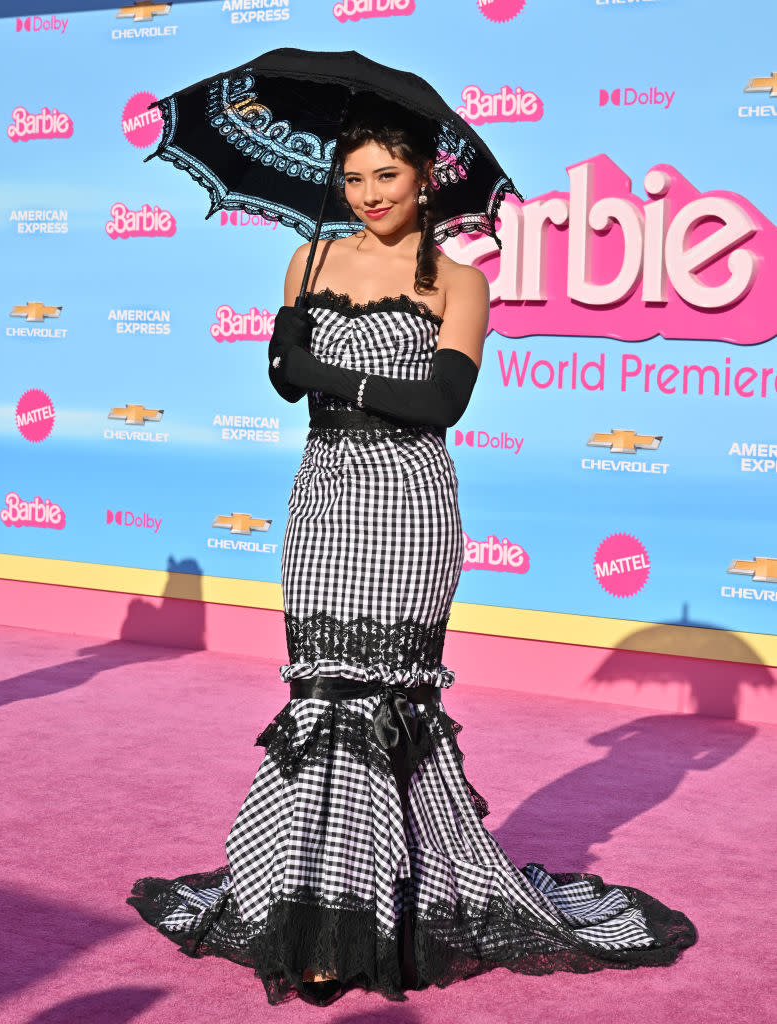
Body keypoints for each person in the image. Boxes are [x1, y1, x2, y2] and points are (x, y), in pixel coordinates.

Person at [127, 99, 696, 1007]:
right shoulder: (305, 258)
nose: (367, 194)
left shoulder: (459, 279)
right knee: (320, 698)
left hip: (408, 505)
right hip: (321, 498)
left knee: (386, 706)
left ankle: (382, 920)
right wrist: (304, 364)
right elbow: (283, 384)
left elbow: (437, 406)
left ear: (423, 178)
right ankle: (308, 913)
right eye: (351, 179)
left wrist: (325, 371)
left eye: (384, 176)